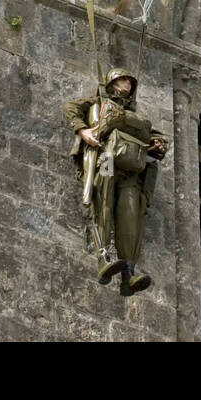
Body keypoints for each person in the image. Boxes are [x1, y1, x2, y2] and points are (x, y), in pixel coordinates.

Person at [63, 67, 168, 295]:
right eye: (123, 80)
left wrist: (158, 143)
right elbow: (71, 108)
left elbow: (156, 137)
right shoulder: (98, 102)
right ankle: (104, 257)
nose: (128, 83)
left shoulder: (137, 116)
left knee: (130, 215)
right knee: (104, 204)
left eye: (130, 81)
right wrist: (83, 131)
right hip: (108, 160)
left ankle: (129, 272)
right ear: (111, 83)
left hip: (131, 171)